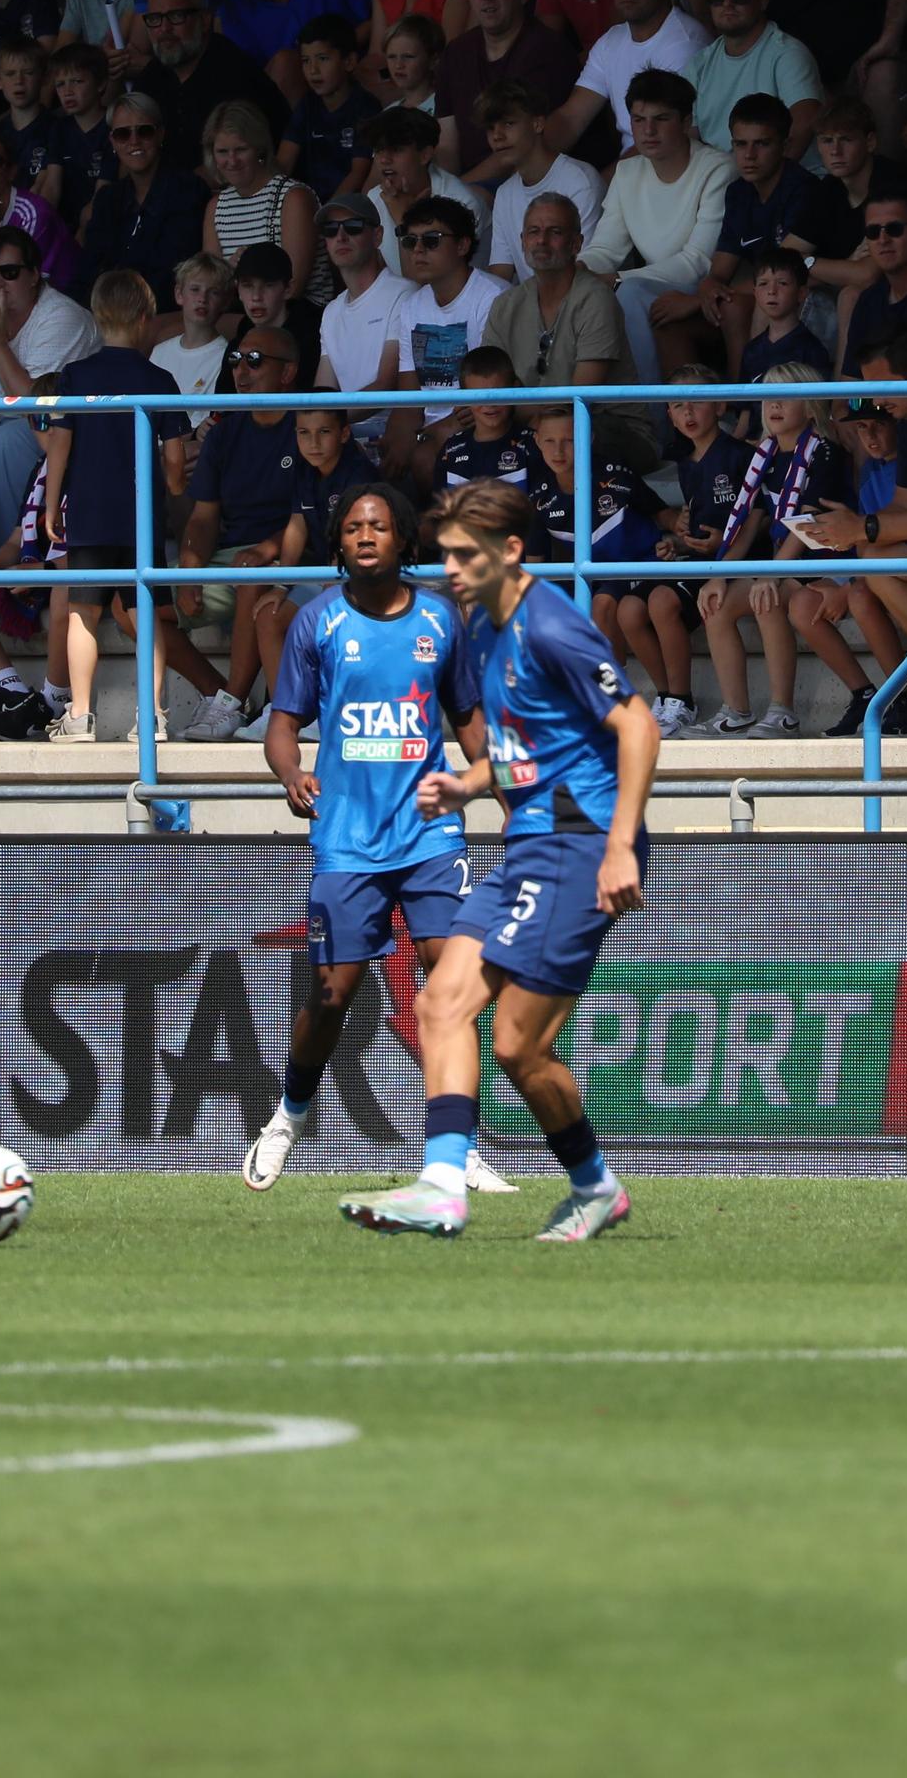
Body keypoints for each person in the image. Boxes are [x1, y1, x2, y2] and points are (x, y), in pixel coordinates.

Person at [341, 480, 652, 1243]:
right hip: (531, 842)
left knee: (518, 1043)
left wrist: (619, 847)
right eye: (444, 554)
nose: (448, 568)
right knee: (440, 1004)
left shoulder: (552, 625)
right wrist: (470, 783)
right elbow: (533, 745)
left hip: (580, 841)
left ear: (511, 551)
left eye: (464, 555)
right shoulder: (479, 623)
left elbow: (638, 725)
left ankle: (594, 1186)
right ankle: (442, 1188)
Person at [240, 479, 518, 1194]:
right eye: (353, 528)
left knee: (449, 983)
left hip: (430, 835)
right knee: (332, 994)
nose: (366, 536)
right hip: (348, 840)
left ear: (403, 540)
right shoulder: (317, 622)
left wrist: (509, 796)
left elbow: (468, 718)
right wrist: (291, 774)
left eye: (379, 526)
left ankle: (454, 1147)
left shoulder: (441, 618)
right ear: (339, 543)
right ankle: (289, 1115)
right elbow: (281, 726)